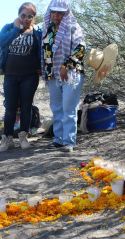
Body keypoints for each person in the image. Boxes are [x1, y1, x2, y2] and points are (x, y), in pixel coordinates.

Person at [0, 2, 42, 152]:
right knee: (10, 108)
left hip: (30, 75)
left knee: (27, 106)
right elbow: (0, 41)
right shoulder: (9, 27)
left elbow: (42, 49)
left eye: (30, 16)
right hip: (10, 75)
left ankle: (23, 137)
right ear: (18, 14)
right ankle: (7, 139)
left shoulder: (37, 32)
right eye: (23, 15)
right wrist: (16, 29)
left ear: (34, 17)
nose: (26, 19)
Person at [42, 0, 86, 152]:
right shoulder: (48, 30)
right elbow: (45, 53)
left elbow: (80, 48)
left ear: (65, 13)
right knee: (56, 108)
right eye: (53, 12)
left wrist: (65, 66)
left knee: (69, 107)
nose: (56, 15)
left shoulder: (73, 27)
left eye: (60, 12)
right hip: (53, 75)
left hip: (71, 73)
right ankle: (58, 139)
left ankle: (69, 141)